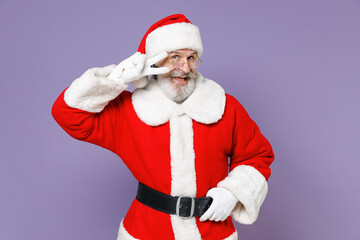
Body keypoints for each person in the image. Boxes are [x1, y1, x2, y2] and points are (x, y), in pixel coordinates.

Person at [52, 14, 274, 240]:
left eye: (191, 58)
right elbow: (67, 114)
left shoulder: (225, 107)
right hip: (146, 232)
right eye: (174, 57)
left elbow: (257, 155)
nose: (184, 67)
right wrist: (115, 78)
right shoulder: (129, 111)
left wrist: (234, 192)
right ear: (155, 62)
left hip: (212, 233)